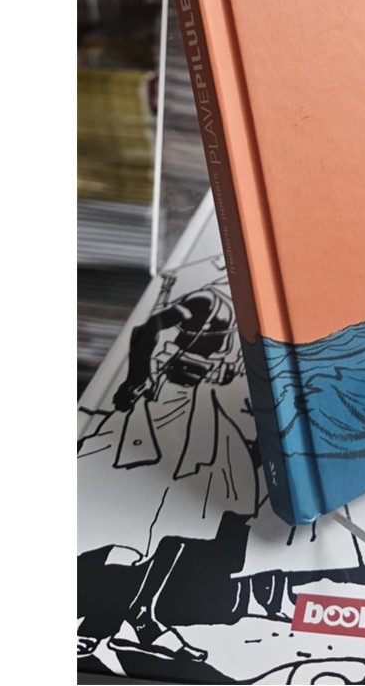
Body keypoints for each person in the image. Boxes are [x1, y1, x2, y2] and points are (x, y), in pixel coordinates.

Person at [76, 283, 259, 664]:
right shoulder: (206, 299)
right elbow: (148, 329)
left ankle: (143, 616)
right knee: (134, 524)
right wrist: (136, 377)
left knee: (177, 525)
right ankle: (95, 621)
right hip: (162, 409)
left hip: (201, 412)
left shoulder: (259, 305)